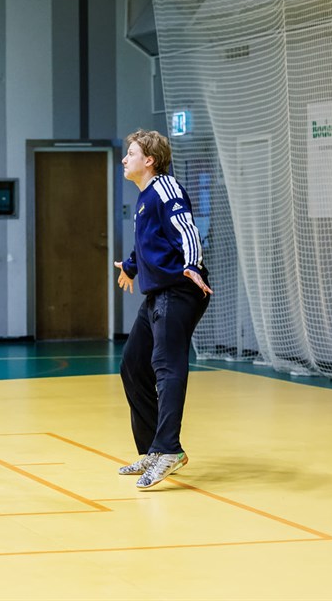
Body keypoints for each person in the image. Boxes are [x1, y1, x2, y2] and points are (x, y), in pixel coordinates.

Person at [114, 129, 212, 490]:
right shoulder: (145, 198)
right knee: (133, 364)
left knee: (166, 366)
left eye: (131, 153)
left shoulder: (165, 188)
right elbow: (149, 244)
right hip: (158, 293)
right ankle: (154, 449)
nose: (125, 159)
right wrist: (130, 266)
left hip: (180, 289)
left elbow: (186, 229)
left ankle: (169, 449)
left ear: (150, 160)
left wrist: (191, 264)